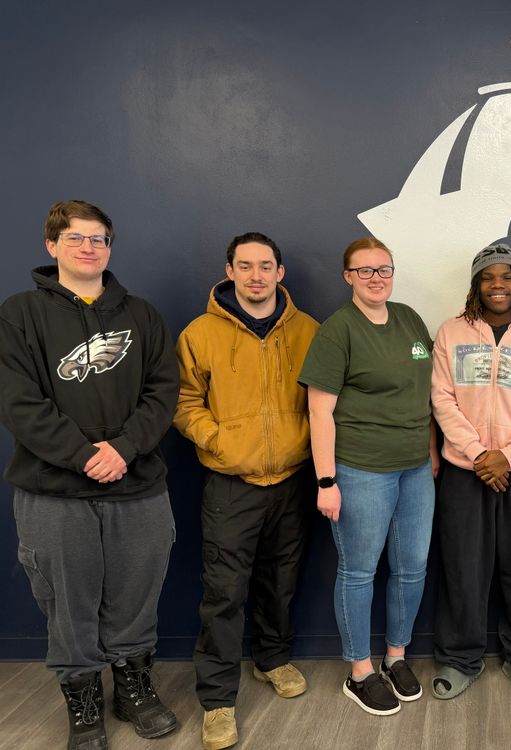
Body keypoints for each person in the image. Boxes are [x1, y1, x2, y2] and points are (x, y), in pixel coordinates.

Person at [0, 200, 179, 749]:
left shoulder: (142, 316)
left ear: (109, 247)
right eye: (75, 238)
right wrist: (83, 456)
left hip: (137, 483)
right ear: (51, 245)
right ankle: (82, 699)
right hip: (53, 489)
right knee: (67, 600)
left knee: (137, 592)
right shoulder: (19, 314)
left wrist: (123, 449)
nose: (88, 247)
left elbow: (163, 393)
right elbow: (18, 402)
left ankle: (133, 686)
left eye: (98, 238)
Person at [174, 232, 319, 750]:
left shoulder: (308, 330)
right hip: (230, 483)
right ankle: (217, 700)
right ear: (229, 271)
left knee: (281, 579)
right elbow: (184, 402)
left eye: (265, 266)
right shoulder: (199, 333)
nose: (256, 275)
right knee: (224, 592)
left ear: (280, 272)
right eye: (245, 266)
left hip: (292, 478)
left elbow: (326, 398)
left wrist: (305, 443)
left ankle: (272, 659)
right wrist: (220, 442)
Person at [298, 237, 436, 717]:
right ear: (348, 276)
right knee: (359, 572)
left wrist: (430, 450)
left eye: (384, 269)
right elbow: (319, 412)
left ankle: (396, 657)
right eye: (365, 271)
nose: (376, 278)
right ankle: (359, 671)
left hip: (415, 469)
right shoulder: (337, 331)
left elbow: (424, 392)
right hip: (361, 470)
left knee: (412, 567)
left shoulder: (410, 319)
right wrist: (326, 481)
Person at [430, 240, 511, 702]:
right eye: (488, 277)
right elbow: (442, 397)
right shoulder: (451, 332)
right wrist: (478, 454)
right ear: (476, 285)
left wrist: (508, 454)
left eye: (506, 276)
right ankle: (459, 658)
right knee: (463, 566)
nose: (497, 285)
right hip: (465, 471)